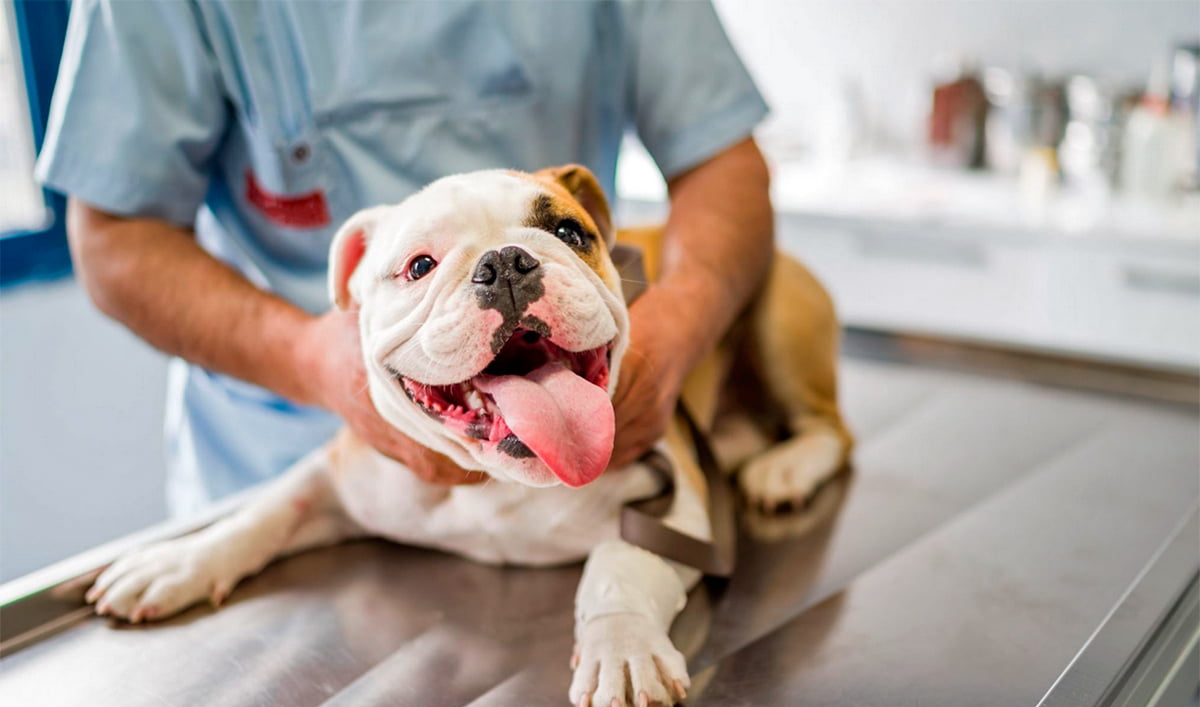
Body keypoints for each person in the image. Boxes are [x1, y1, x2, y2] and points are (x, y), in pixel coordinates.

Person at [37, 0, 774, 516]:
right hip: (283, 466)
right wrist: (310, 359)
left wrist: (674, 328)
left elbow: (721, 160)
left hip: (575, 442)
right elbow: (112, 235)